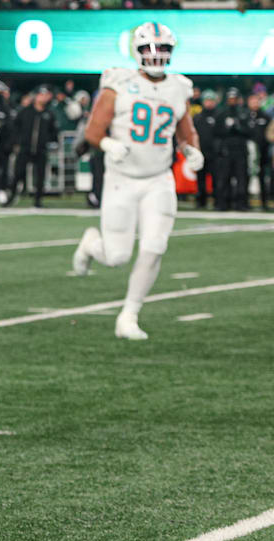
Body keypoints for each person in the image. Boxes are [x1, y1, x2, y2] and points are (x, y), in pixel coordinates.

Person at [71, 22, 203, 340]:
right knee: (116, 257)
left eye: (163, 49)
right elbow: (92, 131)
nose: (156, 55)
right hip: (121, 178)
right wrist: (107, 144)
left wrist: (192, 151)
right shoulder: (119, 82)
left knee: (155, 246)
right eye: (149, 49)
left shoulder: (178, 87)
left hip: (158, 179)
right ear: (136, 51)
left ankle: (129, 314)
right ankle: (91, 244)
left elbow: (185, 131)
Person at [9, 85, 57, 208]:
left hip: (41, 149)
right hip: (25, 147)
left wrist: (50, 142)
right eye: (41, 95)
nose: (43, 97)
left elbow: (53, 131)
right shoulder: (25, 111)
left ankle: (38, 200)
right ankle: (11, 196)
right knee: (18, 173)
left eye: (45, 95)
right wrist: (17, 142)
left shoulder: (49, 114)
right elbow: (16, 127)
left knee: (40, 176)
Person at [213, 88, 249, 211]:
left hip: (240, 151)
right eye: (230, 99)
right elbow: (216, 132)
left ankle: (241, 204)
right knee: (224, 178)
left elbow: (250, 132)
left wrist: (238, 126)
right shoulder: (221, 114)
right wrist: (227, 128)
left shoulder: (244, 113)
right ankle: (223, 203)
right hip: (226, 151)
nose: (232, 101)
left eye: (234, 99)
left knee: (242, 178)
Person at [192, 90, 219, 209]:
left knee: (216, 178)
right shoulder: (197, 117)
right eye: (207, 100)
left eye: (211, 100)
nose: (209, 103)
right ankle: (200, 200)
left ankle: (217, 200)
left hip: (215, 153)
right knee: (200, 178)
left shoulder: (219, 116)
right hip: (200, 151)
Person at [244, 93, 271, 210]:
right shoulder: (244, 116)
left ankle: (264, 201)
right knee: (245, 177)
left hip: (262, 152)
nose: (254, 103)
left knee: (262, 177)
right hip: (245, 154)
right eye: (252, 101)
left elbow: (269, 133)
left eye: (256, 101)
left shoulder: (265, 116)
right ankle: (244, 202)